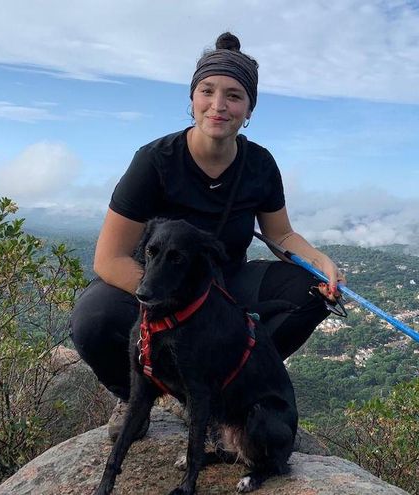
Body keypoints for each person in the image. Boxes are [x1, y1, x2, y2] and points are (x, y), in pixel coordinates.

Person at [70, 32, 344, 440]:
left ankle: (220, 393)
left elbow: (281, 234)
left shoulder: (259, 164)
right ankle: (135, 398)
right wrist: (180, 301)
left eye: (234, 96)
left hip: (225, 283)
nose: (219, 105)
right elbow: (109, 259)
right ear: (192, 98)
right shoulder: (155, 161)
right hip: (158, 284)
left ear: (248, 109)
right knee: (94, 319)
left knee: (309, 293)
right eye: (208, 91)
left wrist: (321, 264)